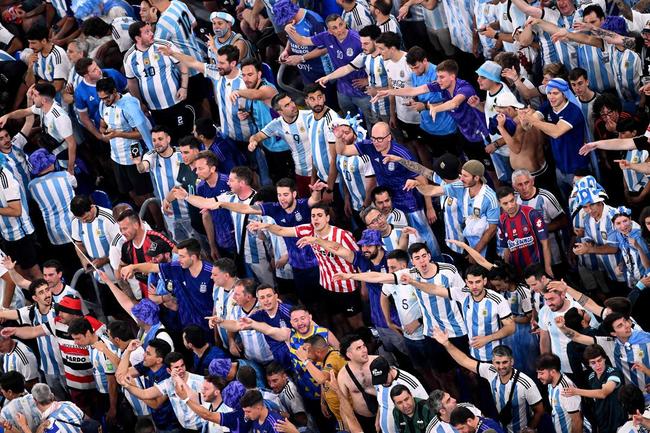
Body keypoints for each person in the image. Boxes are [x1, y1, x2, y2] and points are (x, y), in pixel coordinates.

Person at [247, 203, 363, 334]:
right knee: (338, 321)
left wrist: (363, 285)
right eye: (313, 216)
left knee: (357, 325)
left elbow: (358, 259)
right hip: (326, 286)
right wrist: (266, 226)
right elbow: (282, 230)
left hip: (347, 287)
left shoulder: (342, 235)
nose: (316, 219)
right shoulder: (308, 229)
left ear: (328, 218)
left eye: (319, 216)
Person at [431, 329, 544, 433]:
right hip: (502, 426)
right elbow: (465, 360)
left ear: (512, 361)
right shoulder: (490, 371)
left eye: (505, 362)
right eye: (497, 363)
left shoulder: (525, 383)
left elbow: (539, 410)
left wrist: (530, 428)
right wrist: (447, 344)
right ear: (493, 362)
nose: (501, 367)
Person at [286, 14, 372, 123]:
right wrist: (289, 29)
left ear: (345, 23)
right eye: (334, 27)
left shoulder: (358, 40)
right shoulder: (326, 37)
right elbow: (302, 41)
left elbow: (374, 59)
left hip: (362, 92)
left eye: (341, 24)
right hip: (342, 90)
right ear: (329, 31)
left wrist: (368, 80)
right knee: (349, 121)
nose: (340, 29)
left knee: (371, 122)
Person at [121, 238, 214, 333]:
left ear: (193, 257)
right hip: (188, 325)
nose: (179, 259)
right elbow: (152, 267)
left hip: (210, 325)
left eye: (182, 256)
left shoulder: (211, 273)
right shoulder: (177, 268)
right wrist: (132, 267)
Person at [124, 22, 193, 140]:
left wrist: (184, 87)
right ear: (137, 38)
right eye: (147, 32)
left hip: (176, 102)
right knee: (166, 139)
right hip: (155, 110)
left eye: (151, 30)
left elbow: (183, 65)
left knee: (184, 135)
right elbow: (132, 83)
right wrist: (140, 103)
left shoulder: (165, 45)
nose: (152, 34)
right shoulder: (129, 57)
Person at [416, 160, 499, 258]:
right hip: (467, 242)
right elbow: (432, 190)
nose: (461, 178)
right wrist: (417, 185)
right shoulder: (460, 186)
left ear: (476, 178)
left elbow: (492, 230)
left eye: (465, 176)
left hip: (486, 245)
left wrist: (475, 253)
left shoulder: (490, 198)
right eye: (461, 174)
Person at [96, 76, 155, 207]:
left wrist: (118, 134)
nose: (105, 101)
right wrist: (103, 131)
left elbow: (141, 134)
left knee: (146, 195)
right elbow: (102, 124)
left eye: (107, 97)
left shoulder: (129, 106)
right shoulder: (103, 105)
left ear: (115, 91)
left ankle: (159, 225)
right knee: (131, 193)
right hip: (116, 157)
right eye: (101, 98)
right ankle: (144, 220)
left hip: (133, 155)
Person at [0, 82, 77, 173]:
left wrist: (70, 169)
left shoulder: (59, 117)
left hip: (64, 156)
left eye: (35, 95)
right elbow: (24, 112)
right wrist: (7, 116)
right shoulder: (42, 108)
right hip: (53, 154)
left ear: (44, 100)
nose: (33, 97)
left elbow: (72, 144)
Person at [134, 125, 191, 242]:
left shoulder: (181, 154)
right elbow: (141, 168)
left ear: (168, 139)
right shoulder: (151, 156)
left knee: (199, 247)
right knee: (180, 247)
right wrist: (137, 162)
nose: (157, 143)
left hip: (188, 211)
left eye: (160, 139)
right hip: (169, 215)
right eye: (154, 140)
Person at [562, 344, 627, 433]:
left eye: (599, 360)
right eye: (593, 362)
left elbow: (603, 393)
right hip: (602, 423)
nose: (597, 365)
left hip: (618, 422)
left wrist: (576, 391)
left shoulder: (614, 373)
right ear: (588, 364)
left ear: (604, 358)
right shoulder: (591, 377)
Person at [496, 186, 552, 276]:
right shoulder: (501, 221)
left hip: (537, 270)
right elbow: (506, 249)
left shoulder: (531, 214)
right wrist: (508, 272)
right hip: (518, 273)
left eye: (512, 201)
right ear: (499, 204)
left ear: (515, 198)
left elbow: (545, 243)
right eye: (505, 203)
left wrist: (548, 268)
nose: (510, 205)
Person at [371, 356, 428, 433]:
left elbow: (425, 405)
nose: (383, 383)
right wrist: (378, 419)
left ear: (390, 370)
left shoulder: (408, 381)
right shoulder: (379, 381)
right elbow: (381, 401)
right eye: (380, 380)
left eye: (384, 379)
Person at [535, 353, 586, 433]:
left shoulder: (566, 390)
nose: (538, 377)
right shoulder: (550, 384)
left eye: (541, 373)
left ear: (553, 372)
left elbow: (577, 421)